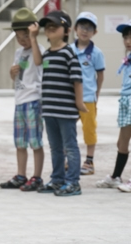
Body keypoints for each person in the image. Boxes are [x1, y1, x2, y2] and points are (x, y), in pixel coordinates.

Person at [29, 10, 87, 196]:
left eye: (55, 25)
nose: (50, 28)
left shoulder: (69, 53)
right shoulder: (47, 54)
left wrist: (79, 103)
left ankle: (73, 183)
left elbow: (77, 80)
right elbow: (37, 61)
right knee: (55, 147)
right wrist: (32, 36)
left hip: (65, 110)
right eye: (48, 26)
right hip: (50, 110)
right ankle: (57, 180)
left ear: (66, 30)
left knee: (69, 146)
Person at [0, 8, 45, 191]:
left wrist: (33, 39)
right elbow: (16, 75)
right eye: (18, 36)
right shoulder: (18, 52)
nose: (22, 39)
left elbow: (39, 62)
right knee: (20, 142)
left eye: (25, 35)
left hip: (34, 99)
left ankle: (37, 176)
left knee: (35, 142)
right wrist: (12, 73)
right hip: (19, 101)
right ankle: (21, 174)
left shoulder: (39, 49)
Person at [96, 20, 131, 192]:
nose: (127, 41)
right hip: (125, 101)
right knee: (122, 142)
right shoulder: (129, 57)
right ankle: (116, 177)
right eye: (125, 37)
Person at [71, 12, 105, 176]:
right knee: (68, 128)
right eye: (82, 27)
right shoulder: (68, 50)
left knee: (89, 129)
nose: (85, 31)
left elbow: (100, 75)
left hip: (88, 98)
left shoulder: (96, 53)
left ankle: (89, 161)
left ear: (95, 32)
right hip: (69, 98)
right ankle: (68, 159)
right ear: (75, 29)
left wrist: (96, 95)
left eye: (89, 28)